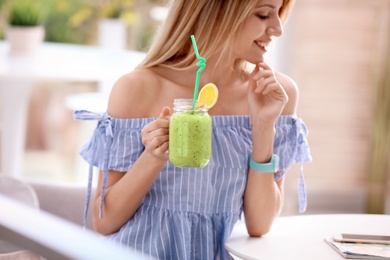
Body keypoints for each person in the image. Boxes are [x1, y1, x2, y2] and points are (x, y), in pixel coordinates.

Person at [74, 0, 312, 259]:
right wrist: (152, 157)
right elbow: (104, 221)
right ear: (217, 12)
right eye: (264, 15)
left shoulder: (275, 93)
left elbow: (260, 225)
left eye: (278, 14)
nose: (278, 29)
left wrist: (264, 125)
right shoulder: (137, 88)